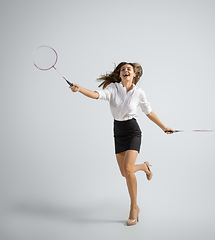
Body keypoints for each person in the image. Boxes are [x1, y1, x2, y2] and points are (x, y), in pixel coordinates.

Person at [70, 62, 174, 226]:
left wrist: (163, 127)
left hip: (133, 131)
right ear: (119, 74)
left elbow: (149, 111)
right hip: (118, 131)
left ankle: (134, 208)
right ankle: (145, 167)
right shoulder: (113, 88)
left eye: (129, 69)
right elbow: (96, 95)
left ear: (134, 74)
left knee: (127, 169)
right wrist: (80, 89)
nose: (125, 71)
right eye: (123, 69)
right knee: (125, 172)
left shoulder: (139, 92)